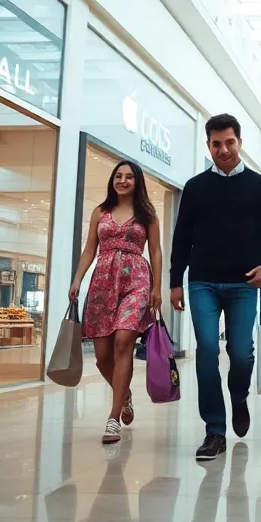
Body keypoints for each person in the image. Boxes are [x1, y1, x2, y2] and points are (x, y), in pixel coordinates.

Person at [170, 114, 261, 461]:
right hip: (203, 281)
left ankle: (238, 396)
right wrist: (176, 282)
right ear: (208, 146)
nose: (223, 149)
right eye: (216, 144)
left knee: (241, 352)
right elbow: (182, 239)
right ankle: (215, 431)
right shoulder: (195, 187)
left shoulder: (259, 185)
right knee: (206, 349)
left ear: (239, 142)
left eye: (229, 142)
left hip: (243, 283)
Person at [70, 161, 161, 444]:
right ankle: (125, 395)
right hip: (102, 283)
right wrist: (77, 280)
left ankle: (112, 419)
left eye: (129, 177)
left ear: (137, 181)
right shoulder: (100, 212)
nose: (123, 181)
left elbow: (156, 250)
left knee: (124, 341)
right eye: (118, 176)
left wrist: (157, 287)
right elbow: (89, 249)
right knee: (101, 358)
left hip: (136, 281)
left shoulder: (147, 214)